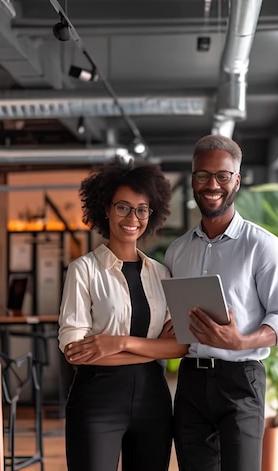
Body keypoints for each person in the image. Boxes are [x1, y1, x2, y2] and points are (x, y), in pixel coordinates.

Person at [163, 135, 278, 471]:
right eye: (203, 175)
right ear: (192, 178)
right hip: (191, 382)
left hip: (241, 380)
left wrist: (242, 341)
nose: (212, 185)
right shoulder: (177, 252)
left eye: (223, 176)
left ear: (236, 181)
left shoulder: (262, 246)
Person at [58, 159, 189, 471]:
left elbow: (181, 346)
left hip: (153, 401)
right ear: (106, 208)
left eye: (142, 209)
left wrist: (117, 343)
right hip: (96, 399)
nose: (133, 218)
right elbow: (76, 353)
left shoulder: (162, 273)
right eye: (123, 207)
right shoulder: (83, 270)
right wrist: (151, 348)